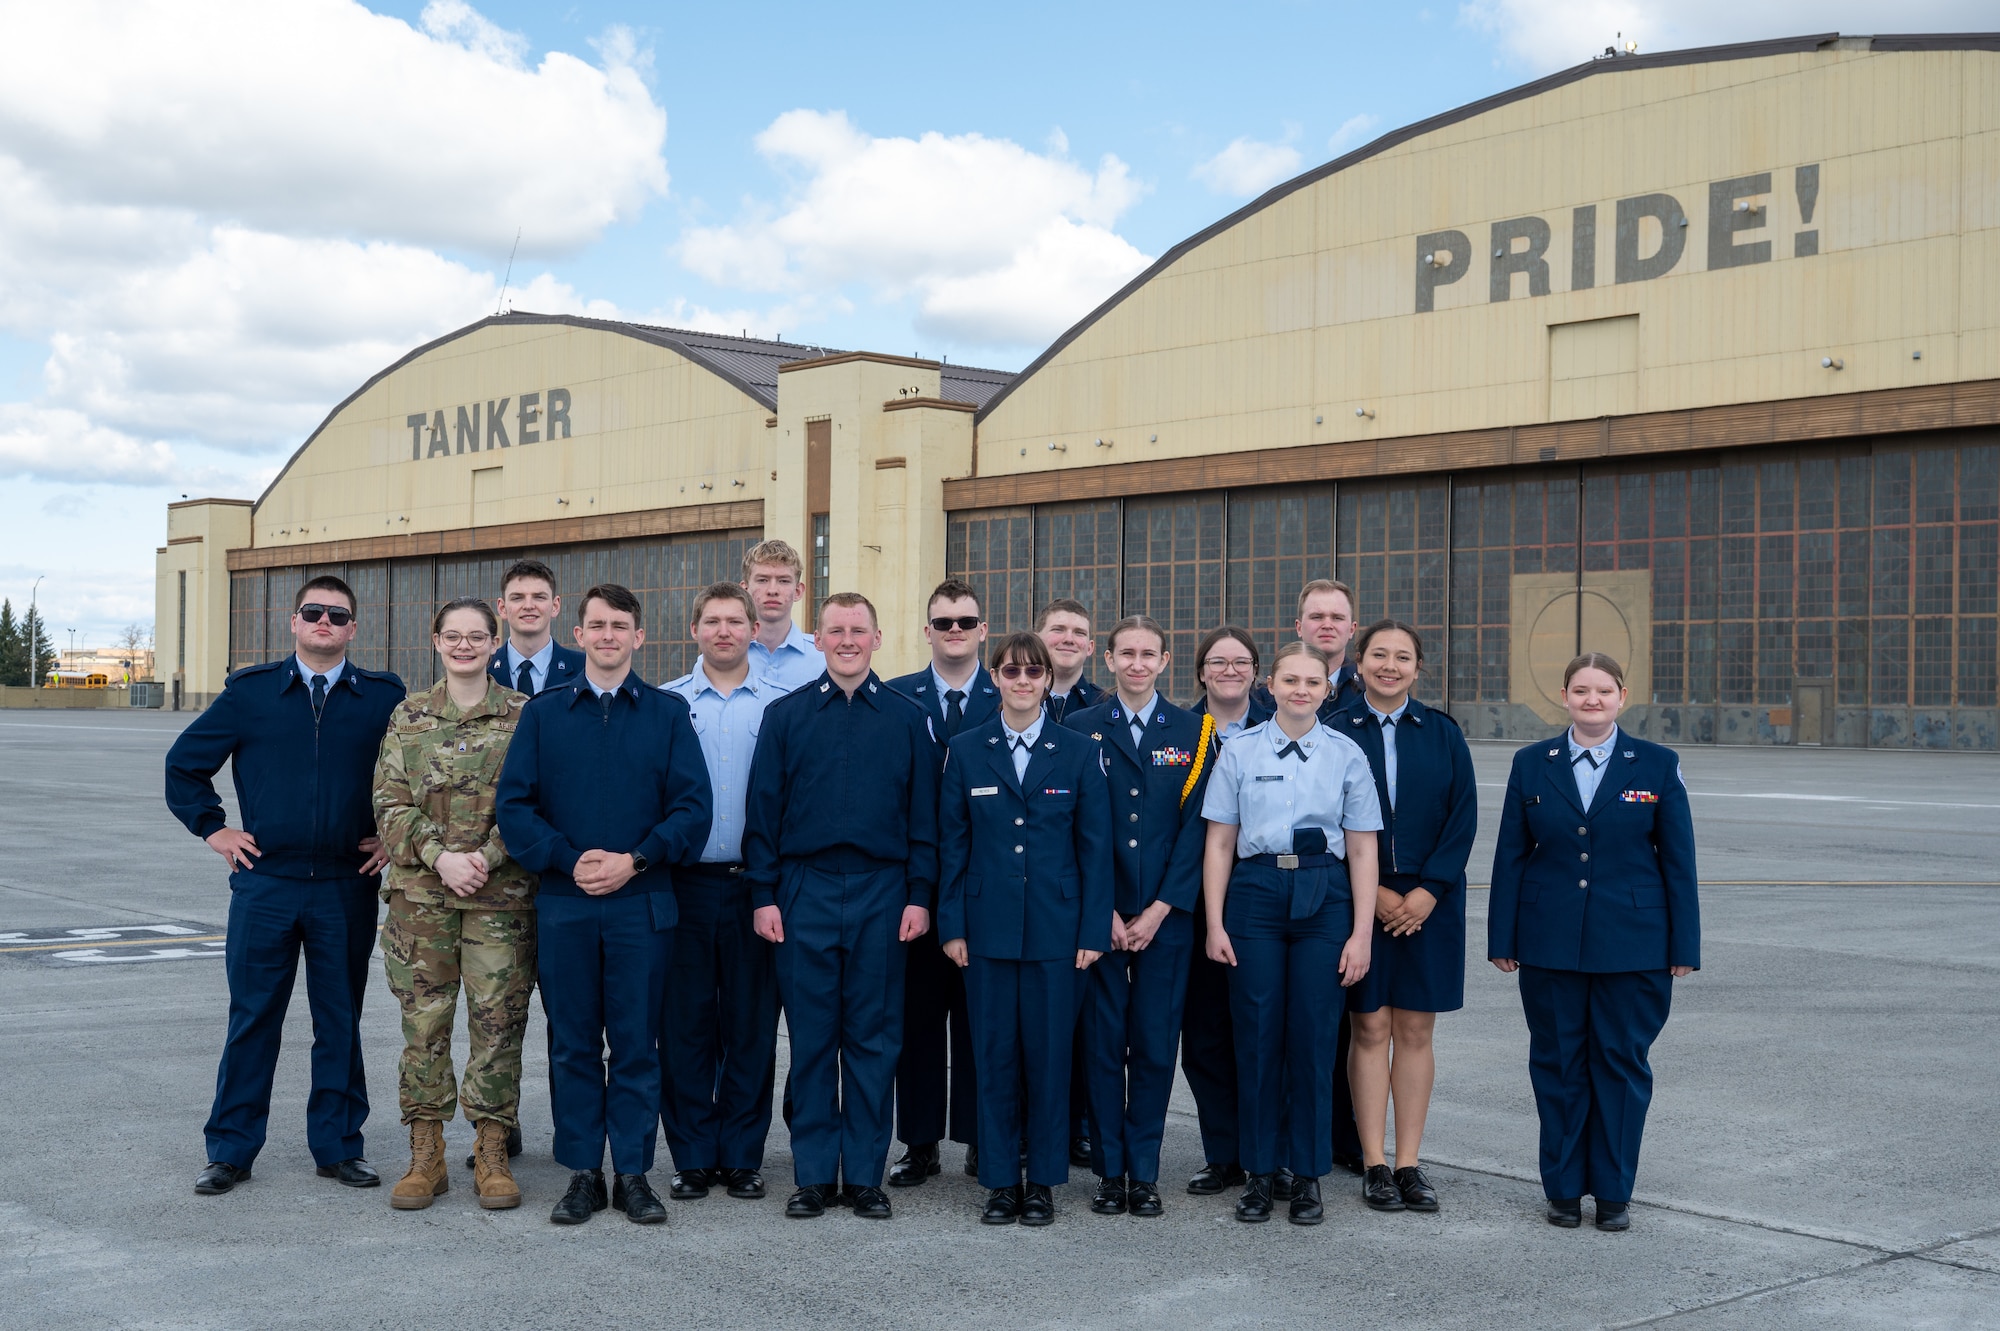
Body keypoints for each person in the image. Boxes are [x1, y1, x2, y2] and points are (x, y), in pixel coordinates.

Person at [165, 575, 406, 1196]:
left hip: (343, 885)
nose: (324, 622)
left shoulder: (381, 698)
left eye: (337, 615)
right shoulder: (251, 694)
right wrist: (213, 829)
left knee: (339, 1021)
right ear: (294, 623)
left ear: (354, 629)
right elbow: (184, 765)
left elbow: (415, 776)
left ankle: (337, 1145)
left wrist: (391, 834)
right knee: (253, 1018)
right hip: (265, 883)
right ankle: (231, 1151)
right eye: (313, 612)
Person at [495, 584, 712, 1227]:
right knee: (573, 1045)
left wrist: (636, 859)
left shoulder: (668, 715)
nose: (608, 634)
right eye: (597, 624)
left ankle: (635, 1174)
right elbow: (515, 807)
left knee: (639, 1046)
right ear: (580, 634)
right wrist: (568, 860)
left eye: (620, 625)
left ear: (639, 638)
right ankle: (584, 1174)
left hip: (643, 904)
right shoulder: (545, 712)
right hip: (566, 903)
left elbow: (692, 810)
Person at [743, 592, 939, 1221]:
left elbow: (924, 820)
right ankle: (811, 1177)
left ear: (878, 640)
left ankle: (864, 1176)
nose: (848, 640)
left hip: (884, 891)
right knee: (813, 1038)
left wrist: (919, 896)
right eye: (836, 630)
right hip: (805, 889)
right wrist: (764, 895)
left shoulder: (908, 719)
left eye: (859, 630)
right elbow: (762, 815)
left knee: (874, 1040)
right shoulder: (786, 716)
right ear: (819, 639)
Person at [1488, 652, 1700, 1233]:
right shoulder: (1533, 764)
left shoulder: (1656, 764)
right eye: (1580, 690)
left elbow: (1678, 860)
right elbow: (1510, 855)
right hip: (1548, 941)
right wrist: (1501, 936)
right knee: (1558, 1064)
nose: (1592, 700)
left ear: (1621, 697)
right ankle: (1561, 1188)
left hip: (1635, 945)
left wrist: (1685, 946)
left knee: (1621, 1063)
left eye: (1603, 691)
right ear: (1565, 696)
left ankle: (1613, 1192)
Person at [1201, 640, 1382, 1226]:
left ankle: (1306, 1176)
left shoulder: (1347, 754)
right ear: (1269, 687)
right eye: (1290, 680)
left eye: (1313, 681)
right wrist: (1214, 921)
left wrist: (1361, 934)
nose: (1301, 690)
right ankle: (1258, 1174)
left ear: (1327, 689)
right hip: (1254, 895)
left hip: (1324, 897)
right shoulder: (1239, 749)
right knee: (1254, 1036)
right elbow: (1221, 842)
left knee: (1311, 1035)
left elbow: (1361, 847)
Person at [939, 632, 1113, 1226]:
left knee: (1047, 1059)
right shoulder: (966, 750)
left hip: (1057, 931)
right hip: (984, 931)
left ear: (1046, 680)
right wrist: (952, 925)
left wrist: (1092, 930)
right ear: (994, 677)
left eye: (1032, 672)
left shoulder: (1078, 750)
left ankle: (1040, 1181)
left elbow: (1095, 849)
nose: (1022, 681)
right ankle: (998, 1182)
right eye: (1011, 671)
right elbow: (953, 846)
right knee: (992, 1057)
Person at [372, 597, 535, 1212]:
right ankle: (427, 1154)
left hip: (502, 899)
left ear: (495, 642)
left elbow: (534, 802)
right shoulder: (408, 715)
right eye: (452, 636)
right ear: (435, 641)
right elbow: (388, 802)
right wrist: (441, 857)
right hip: (421, 900)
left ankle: (492, 1151)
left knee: (498, 1025)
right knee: (424, 1026)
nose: (464, 645)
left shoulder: (524, 715)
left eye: (476, 636)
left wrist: (486, 859)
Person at [1065, 615, 1209, 1218]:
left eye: (1149, 654)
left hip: (1166, 920)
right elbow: (1072, 830)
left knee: (1153, 1045)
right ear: (1109, 660)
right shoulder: (1076, 727)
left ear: (1166, 661)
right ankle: (1108, 1170)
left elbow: (1198, 829)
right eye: (1126, 653)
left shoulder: (1194, 731)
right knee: (1102, 1045)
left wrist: (1156, 910)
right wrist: (1106, 915)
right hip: (1100, 920)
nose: (1137, 664)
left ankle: (1143, 1172)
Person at [1332, 620, 1477, 1214]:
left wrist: (1428, 892)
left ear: (1418, 668)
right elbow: (1323, 817)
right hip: (1361, 900)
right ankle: (1372, 1162)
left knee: (1416, 1031)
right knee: (1368, 1029)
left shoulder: (1442, 733)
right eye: (1379, 656)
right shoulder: (1334, 729)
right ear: (1358, 662)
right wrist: (1375, 895)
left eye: (1403, 657)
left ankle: (1410, 1162)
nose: (1390, 666)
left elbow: (1462, 817)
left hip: (1430, 905)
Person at [660, 583, 785, 1203]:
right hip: (683, 885)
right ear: (694, 631)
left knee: (751, 1026)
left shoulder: (784, 707)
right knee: (684, 1027)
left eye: (737, 621)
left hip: (756, 887)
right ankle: (690, 1156)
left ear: (755, 629)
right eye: (712, 621)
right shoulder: (665, 705)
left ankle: (741, 1156)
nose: (725, 631)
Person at [885, 579, 996, 1187]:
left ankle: (983, 1137)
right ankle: (920, 1142)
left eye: (966, 621)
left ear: (983, 628)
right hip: (916, 886)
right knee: (918, 1020)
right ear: (926, 630)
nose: (955, 630)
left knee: (981, 1020)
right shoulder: (898, 698)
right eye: (943, 621)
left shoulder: (1007, 693)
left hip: (985, 887)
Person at [1180, 625, 1272, 1197]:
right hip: (1195, 904)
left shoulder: (1281, 723)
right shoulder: (1182, 730)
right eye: (1218, 662)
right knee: (1207, 1034)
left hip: (1265, 899)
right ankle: (1223, 1154)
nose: (1230, 670)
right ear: (1200, 671)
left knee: (1264, 1032)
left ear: (1257, 672)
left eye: (1241, 662)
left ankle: (1271, 1151)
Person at [742, 539, 828, 693]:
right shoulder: (720, 659)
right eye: (762, 580)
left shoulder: (824, 660)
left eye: (783, 581)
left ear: (798, 591)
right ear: (745, 589)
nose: (772, 590)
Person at [491, 558, 584, 696]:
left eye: (539, 597)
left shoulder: (585, 669)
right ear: (502, 608)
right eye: (517, 598)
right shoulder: (483, 670)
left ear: (555, 606)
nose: (528, 606)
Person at [1037, 598, 1105, 725]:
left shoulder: (1106, 707)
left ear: (1090, 648)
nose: (1069, 639)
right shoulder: (1008, 703)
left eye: (1079, 633)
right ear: (1037, 641)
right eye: (1058, 629)